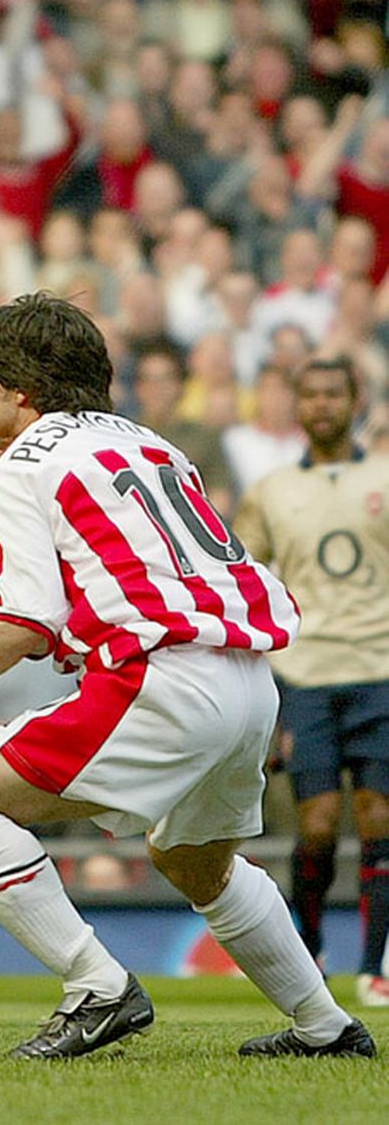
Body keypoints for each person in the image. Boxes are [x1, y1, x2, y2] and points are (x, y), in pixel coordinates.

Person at [0, 292, 375, 1060]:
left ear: (19, 387)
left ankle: (97, 987)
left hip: (160, 678)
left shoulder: (19, 463)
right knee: (193, 859)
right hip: (247, 678)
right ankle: (326, 1026)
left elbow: (26, 618)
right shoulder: (151, 443)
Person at [232, 358, 389, 1008]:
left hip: (380, 668)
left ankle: (376, 963)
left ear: (356, 400)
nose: (323, 403)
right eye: (312, 392)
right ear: (297, 405)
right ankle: (311, 945)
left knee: (379, 816)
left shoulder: (382, 474)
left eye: (334, 392)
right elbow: (246, 579)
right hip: (306, 674)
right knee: (319, 824)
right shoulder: (270, 491)